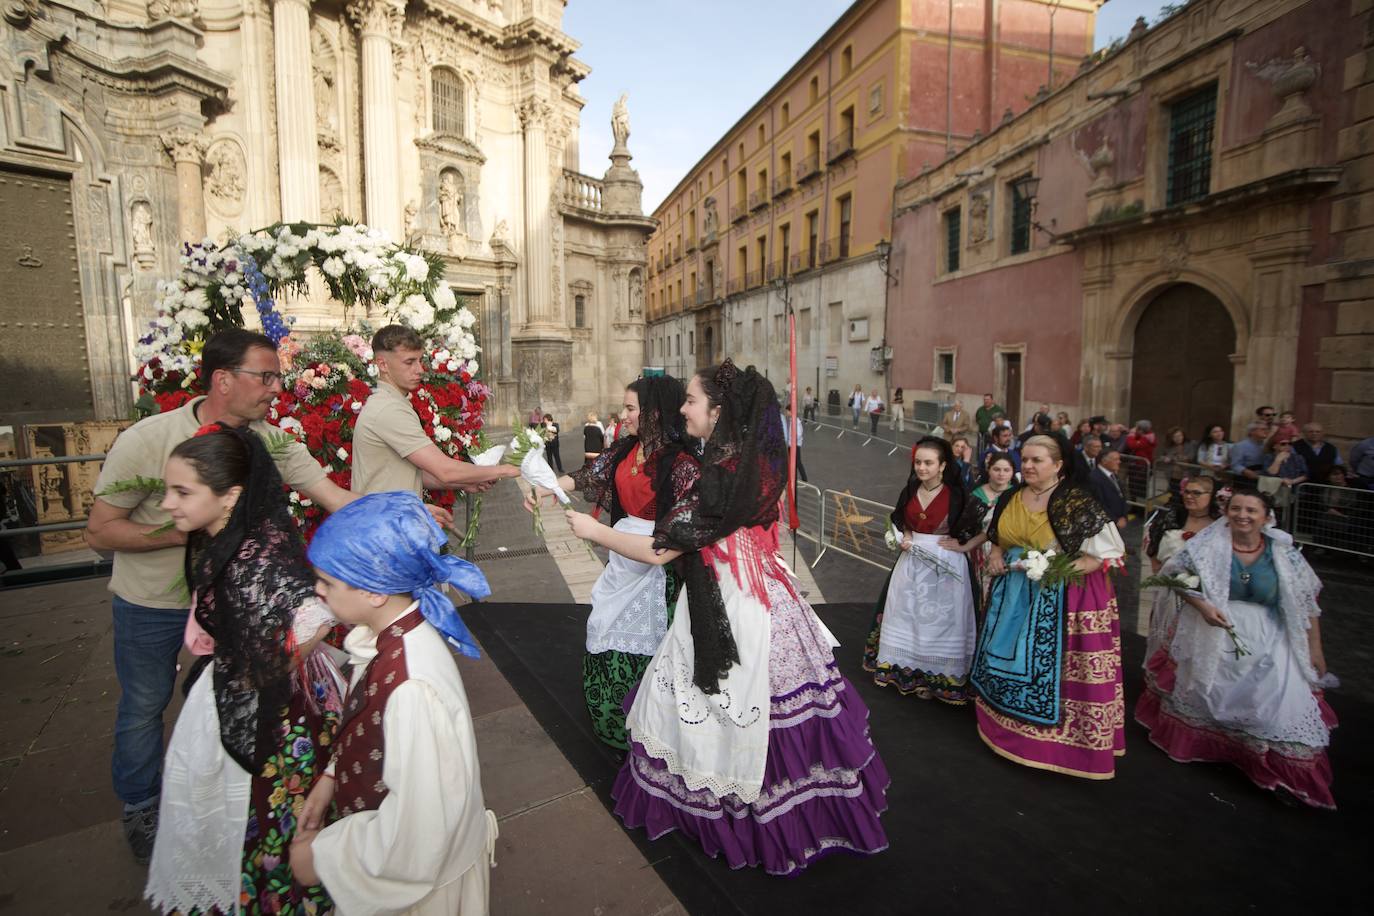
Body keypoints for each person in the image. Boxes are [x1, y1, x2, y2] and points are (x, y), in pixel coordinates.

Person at [566, 361, 889, 875]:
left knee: (737, 706)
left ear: (717, 411)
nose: (683, 408)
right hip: (744, 588)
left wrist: (593, 530)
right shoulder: (741, 465)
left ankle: (747, 815)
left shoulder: (722, 478)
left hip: (736, 602)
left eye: (691, 400)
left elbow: (660, 550)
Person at [86, 328, 358, 863]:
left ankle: (224, 816)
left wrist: (398, 516)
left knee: (222, 709)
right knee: (144, 705)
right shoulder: (149, 438)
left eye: (279, 375)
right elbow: (99, 531)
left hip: (237, 612)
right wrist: (193, 531)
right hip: (153, 604)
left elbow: (333, 497)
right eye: (266, 375)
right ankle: (142, 805)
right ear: (223, 380)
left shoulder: (273, 442)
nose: (277, 387)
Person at [144, 425, 341, 914]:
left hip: (274, 707)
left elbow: (317, 617)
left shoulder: (255, 556)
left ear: (231, 495)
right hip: (241, 685)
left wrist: (261, 670)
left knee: (266, 810)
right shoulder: (230, 540)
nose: (168, 504)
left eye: (182, 492)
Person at [293, 492, 499, 912]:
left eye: (329, 581)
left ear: (374, 592)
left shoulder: (411, 688)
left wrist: (323, 857)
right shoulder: (392, 637)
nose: (317, 590)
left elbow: (418, 832)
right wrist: (332, 777)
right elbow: (367, 724)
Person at [1135, 490, 1337, 808]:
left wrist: (1316, 649)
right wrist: (1202, 606)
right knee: (1210, 692)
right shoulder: (1207, 545)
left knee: (1275, 702)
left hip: (1269, 637)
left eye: (1251, 510)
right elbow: (1174, 576)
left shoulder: (1284, 553)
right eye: (1236, 508)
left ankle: (1280, 773)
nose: (1243, 515)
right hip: (1214, 631)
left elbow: (1307, 603)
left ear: (1266, 515)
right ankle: (1222, 749)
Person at [534, 377, 687, 749]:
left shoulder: (681, 463)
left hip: (658, 571)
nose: (624, 415)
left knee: (647, 650)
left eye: (631, 408)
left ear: (654, 412)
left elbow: (670, 543)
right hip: (623, 560)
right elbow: (590, 474)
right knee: (605, 633)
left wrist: (594, 531)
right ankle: (614, 726)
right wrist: (547, 487)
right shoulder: (626, 448)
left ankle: (646, 734)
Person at [970, 433, 1127, 779]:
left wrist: (1055, 570)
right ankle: (1003, 728)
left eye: (1036, 460)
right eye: (1024, 459)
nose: (1027, 466)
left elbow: (1106, 554)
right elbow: (997, 535)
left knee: (1048, 668)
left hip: (1056, 596)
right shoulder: (1011, 495)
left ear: (1058, 465)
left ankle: (1051, 745)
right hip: (1012, 593)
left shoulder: (1076, 501)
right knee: (1003, 655)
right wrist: (996, 555)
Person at [862, 437, 986, 702]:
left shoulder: (958, 495)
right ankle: (909, 672)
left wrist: (965, 546)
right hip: (912, 562)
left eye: (928, 463)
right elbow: (901, 519)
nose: (922, 468)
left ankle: (940, 679)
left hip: (946, 562)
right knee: (909, 614)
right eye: (918, 462)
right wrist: (905, 535)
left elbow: (986, 525)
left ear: (942, 465)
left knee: (941, 620)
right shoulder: (909, 490)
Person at [352, 325, 519, 498]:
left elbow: (413, 474)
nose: (420, 369)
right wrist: (504, 470)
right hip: (383, 520)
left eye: (419, 361)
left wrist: (464, 483)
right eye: (409, 362)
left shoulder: (391, 402)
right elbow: (445, 470)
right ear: (382, 364)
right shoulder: (388, 409)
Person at [1142, 476, 1221, 660]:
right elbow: (1152, 547)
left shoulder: (1218, 526)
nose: (1190, 496)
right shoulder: (1171, 517)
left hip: (1199, 595)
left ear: (1211, 496)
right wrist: (1159, 571)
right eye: (1187, 492)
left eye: (1197, 493)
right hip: (1167, 591)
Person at [1089, 449, 1129, 529]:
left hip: (1118, 521)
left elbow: (1121, 495)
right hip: (1106, 524)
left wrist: (1124, 516)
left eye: (1119, 459)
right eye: (1115, 459)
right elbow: (1099, 504)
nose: (1119, 462)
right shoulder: (1094, 478)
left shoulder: (1113, 474)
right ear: (1104, 461)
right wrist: (1115, 520)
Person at [1154, 425, 1193, 496]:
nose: (1178, 438)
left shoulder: (1189, 444)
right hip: (1172, 474)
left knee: (1185, 493)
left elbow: (1190, 457)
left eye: (1180, 435)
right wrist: (1166, 458)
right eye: (1175, 437)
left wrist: (1172, 458)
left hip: (1186, 475)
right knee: (1174, 493)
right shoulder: (1169, 447)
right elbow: (1162, 456)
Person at [782, 403, 808, 482]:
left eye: (787, 411)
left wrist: (793, 441)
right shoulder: (792, 420)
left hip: (795, 445)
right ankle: (793, 477)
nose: (786, 413)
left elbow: (799, 434)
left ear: (791, 411)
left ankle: (804, 479)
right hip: (791, 445)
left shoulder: (796, 421)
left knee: (798, 462)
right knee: (793, 462)